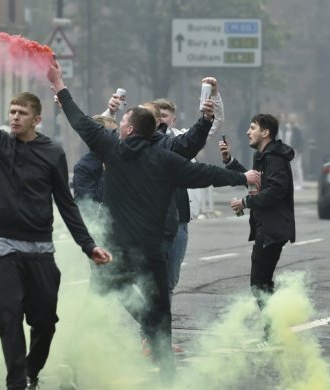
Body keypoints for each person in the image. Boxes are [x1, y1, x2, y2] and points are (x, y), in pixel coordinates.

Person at [48, 59, 260, 382]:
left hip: (115, 251)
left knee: (95, 309)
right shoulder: (165, 159)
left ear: (130, 128)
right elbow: (204, 174)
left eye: (123, 122)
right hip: (151, 251)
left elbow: (80, 122)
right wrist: (241, 176)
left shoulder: (112, 150)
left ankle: (72, 365)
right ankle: (168, 378)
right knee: (161, 316)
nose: (118, 126)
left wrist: (61, 87)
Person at [0, 64, 112, 390]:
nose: (14, 117)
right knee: (9, 319)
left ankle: (31, 373)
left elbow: (66, 204)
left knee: (45, 324)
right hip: (5, 248)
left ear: (36, 119)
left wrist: (88, 244)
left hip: (40, 251)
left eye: (21, 113)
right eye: (11, 112)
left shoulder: (52, 152)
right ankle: (17, 383)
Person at [219, 113, 295, 341]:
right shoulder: (261, 156)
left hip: (273, 228)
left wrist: (246, 202)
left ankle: (273, 332)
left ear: (265, 133)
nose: (247, 131)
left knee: (259, 282)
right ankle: (274, 330)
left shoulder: (274, 158)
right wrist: (229, 160)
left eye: (252, 128)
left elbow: (277, 189)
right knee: (262, 281)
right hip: (265, 226)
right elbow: (254, 180)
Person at [150, 82, 223, 305]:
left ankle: (160, 334)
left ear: (173, 119)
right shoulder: (143, 142)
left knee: (170, 280)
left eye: (165, 115)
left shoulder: (183, 139)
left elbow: (213, 124)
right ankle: (152, 333)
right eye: (157, 115)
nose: (161, 119)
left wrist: (214, 96)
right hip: (154, 223)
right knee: (153, 282)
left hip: (180, 221)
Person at [283, 113, 305, 190]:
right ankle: (292, 183)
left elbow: (301, 140)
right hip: (287, 150)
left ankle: (300, 183)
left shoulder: (297, 129)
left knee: (297, 166)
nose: (291, 120)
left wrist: (299, 150)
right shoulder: (286, 128)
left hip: (295, 150)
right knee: (290, 167)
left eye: (293, 118)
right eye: (290, 118)